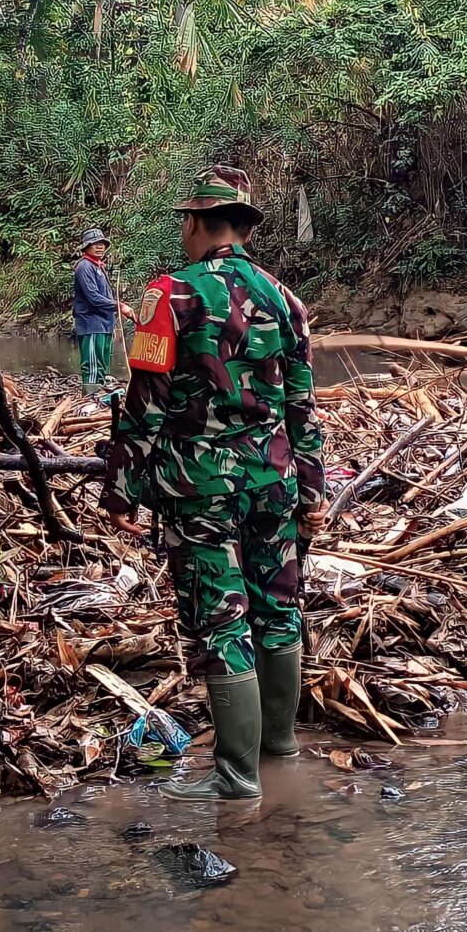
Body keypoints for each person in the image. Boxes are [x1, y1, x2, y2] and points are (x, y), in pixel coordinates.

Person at [102, 166, 326, 801]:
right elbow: (303, 410)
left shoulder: (168, 295)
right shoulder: (287, 300)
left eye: (185, 223)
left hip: (198, 487)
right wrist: (312, 492)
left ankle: (239, 785)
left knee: (222, 622)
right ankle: (280, 758)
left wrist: (123, 489)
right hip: (275, 482)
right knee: (279, 609)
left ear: (197, 223)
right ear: (243, 228)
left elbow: (144, 402)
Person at [73, 228, 130, 394]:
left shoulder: (98, 267)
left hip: (104, 323)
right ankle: (90, 395)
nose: (99, 247)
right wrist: (119, 306)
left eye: (102, 244)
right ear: (86, 247)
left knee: (103, 359)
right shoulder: (84, 267)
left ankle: (100, 391)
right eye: (95, 244)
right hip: (90, 322)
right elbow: (93, 297)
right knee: (92, 362)